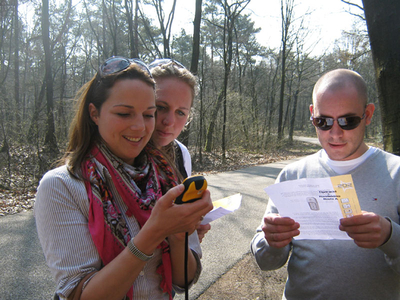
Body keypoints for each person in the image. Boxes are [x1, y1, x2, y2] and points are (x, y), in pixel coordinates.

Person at [34, 56, 213, 300]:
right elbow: (77, 295)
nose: (140, 127)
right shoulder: (62, 185)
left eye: (148, 114)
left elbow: (184, 281)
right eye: (124, 113)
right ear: (94, 113)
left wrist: (178, 233)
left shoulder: (167, 176)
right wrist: (153, 233)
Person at [251, 69, 400, 299]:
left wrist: (390, 236)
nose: (335, 133)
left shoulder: (396, 173)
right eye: (323, 121)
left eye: (348, 121)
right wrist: (272, 242)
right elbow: (265, 261)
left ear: (368, 114)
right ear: (312, 115)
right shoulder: (293, 175)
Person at [149, 58, 211, 242]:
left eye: (180, 112)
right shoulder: (125, 154)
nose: (169, 121)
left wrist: (190, 232)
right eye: (161, 107)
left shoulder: (181, 153)